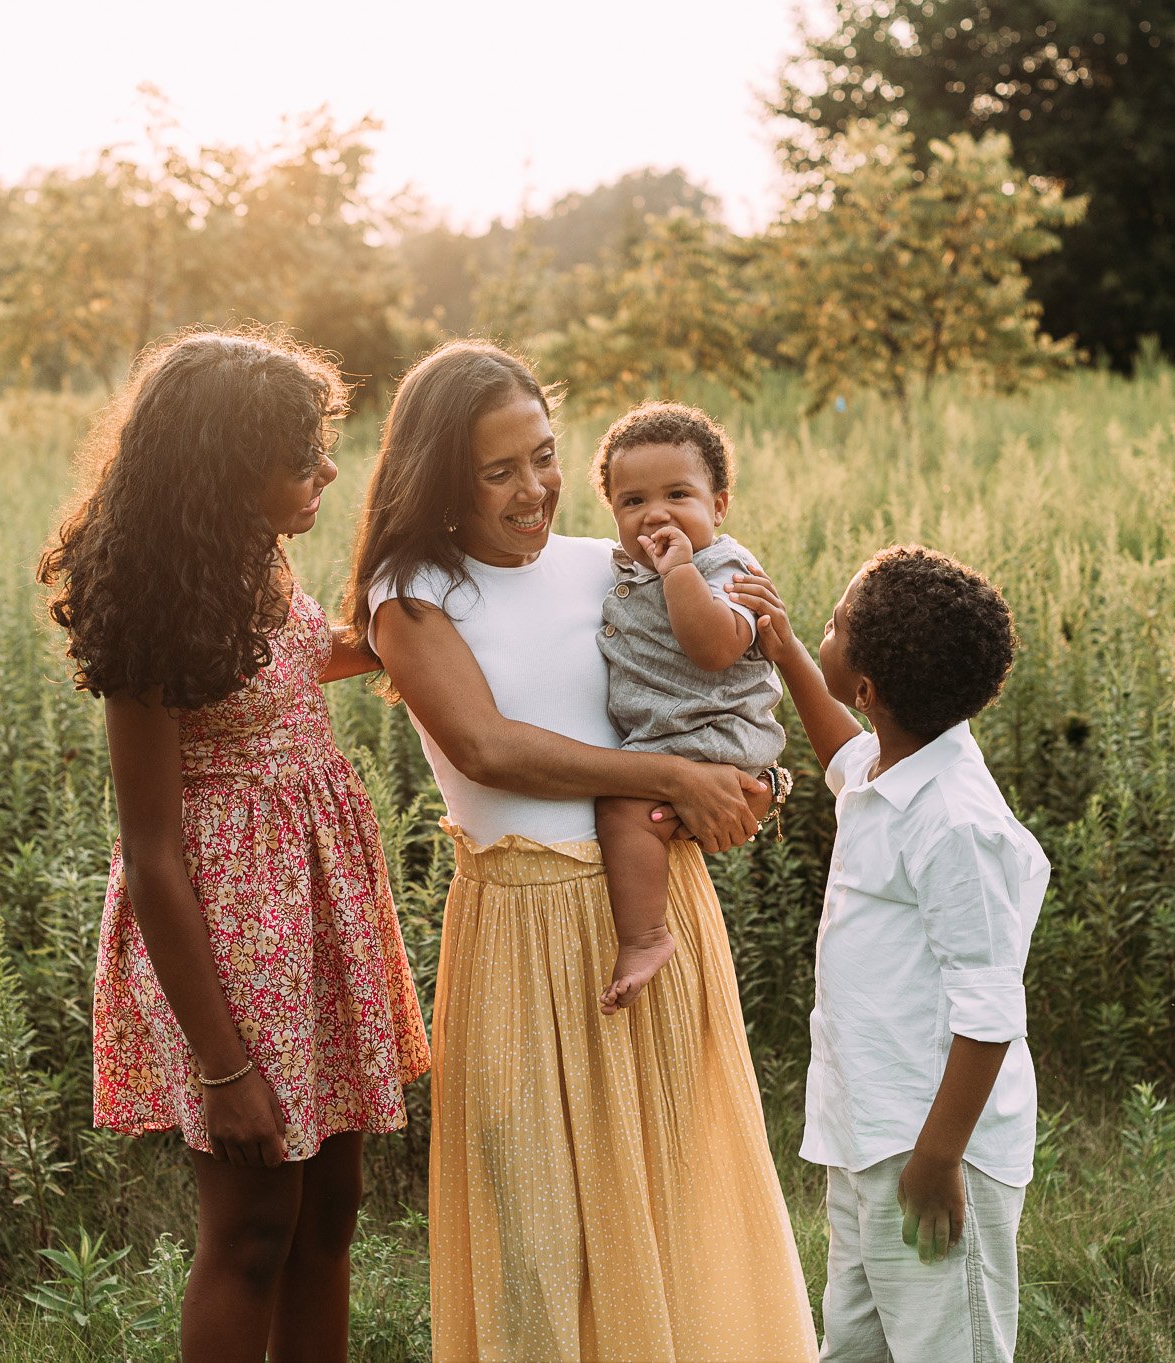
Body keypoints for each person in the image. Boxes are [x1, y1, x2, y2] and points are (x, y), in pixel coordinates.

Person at [341, 340, 818, 1362]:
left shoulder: (612, 563)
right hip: (518, 921)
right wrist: (666, 780)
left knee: (671, 1196)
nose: (535, 491)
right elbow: (484, 744)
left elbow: (716, 694)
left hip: (654, 905)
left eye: (545, 457)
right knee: (536, 1229)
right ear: (439, 476)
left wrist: (755, 783)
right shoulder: (411, 591)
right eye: (499, 469)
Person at [39, 331, 431, 1363]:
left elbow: (296, 665)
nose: (327, 471)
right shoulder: (151, 606)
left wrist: (430, 617)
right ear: (222, 465)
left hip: (318, 909)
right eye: (301, 456)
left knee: (331, 1213)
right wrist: (223, 1067)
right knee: (254, 1228)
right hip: (232, 937)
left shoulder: (256, 552)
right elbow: (152, 853)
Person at [730, 547, 1049, 1363]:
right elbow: (843, 754)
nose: (825, 627)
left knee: (947, 1347)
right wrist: (790, 647)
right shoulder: (894, 765)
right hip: (870, 1134)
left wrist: (939, 1157)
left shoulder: (956, 823)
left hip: (940, 1149)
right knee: (855, 1343)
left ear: (869, 689)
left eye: (834, 623)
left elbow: (989, 1015)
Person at [587, 402, 785, 1013]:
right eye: (632, 502)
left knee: (622, 807)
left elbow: (715, 648)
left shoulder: (726, 567)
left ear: (718, 506)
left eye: (678, 494)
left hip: (716, 733)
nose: (655, 514)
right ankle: (650, 925)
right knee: (639, 819)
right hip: (676, 745)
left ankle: (646, 936)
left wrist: (680, 574)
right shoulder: (621, 569)